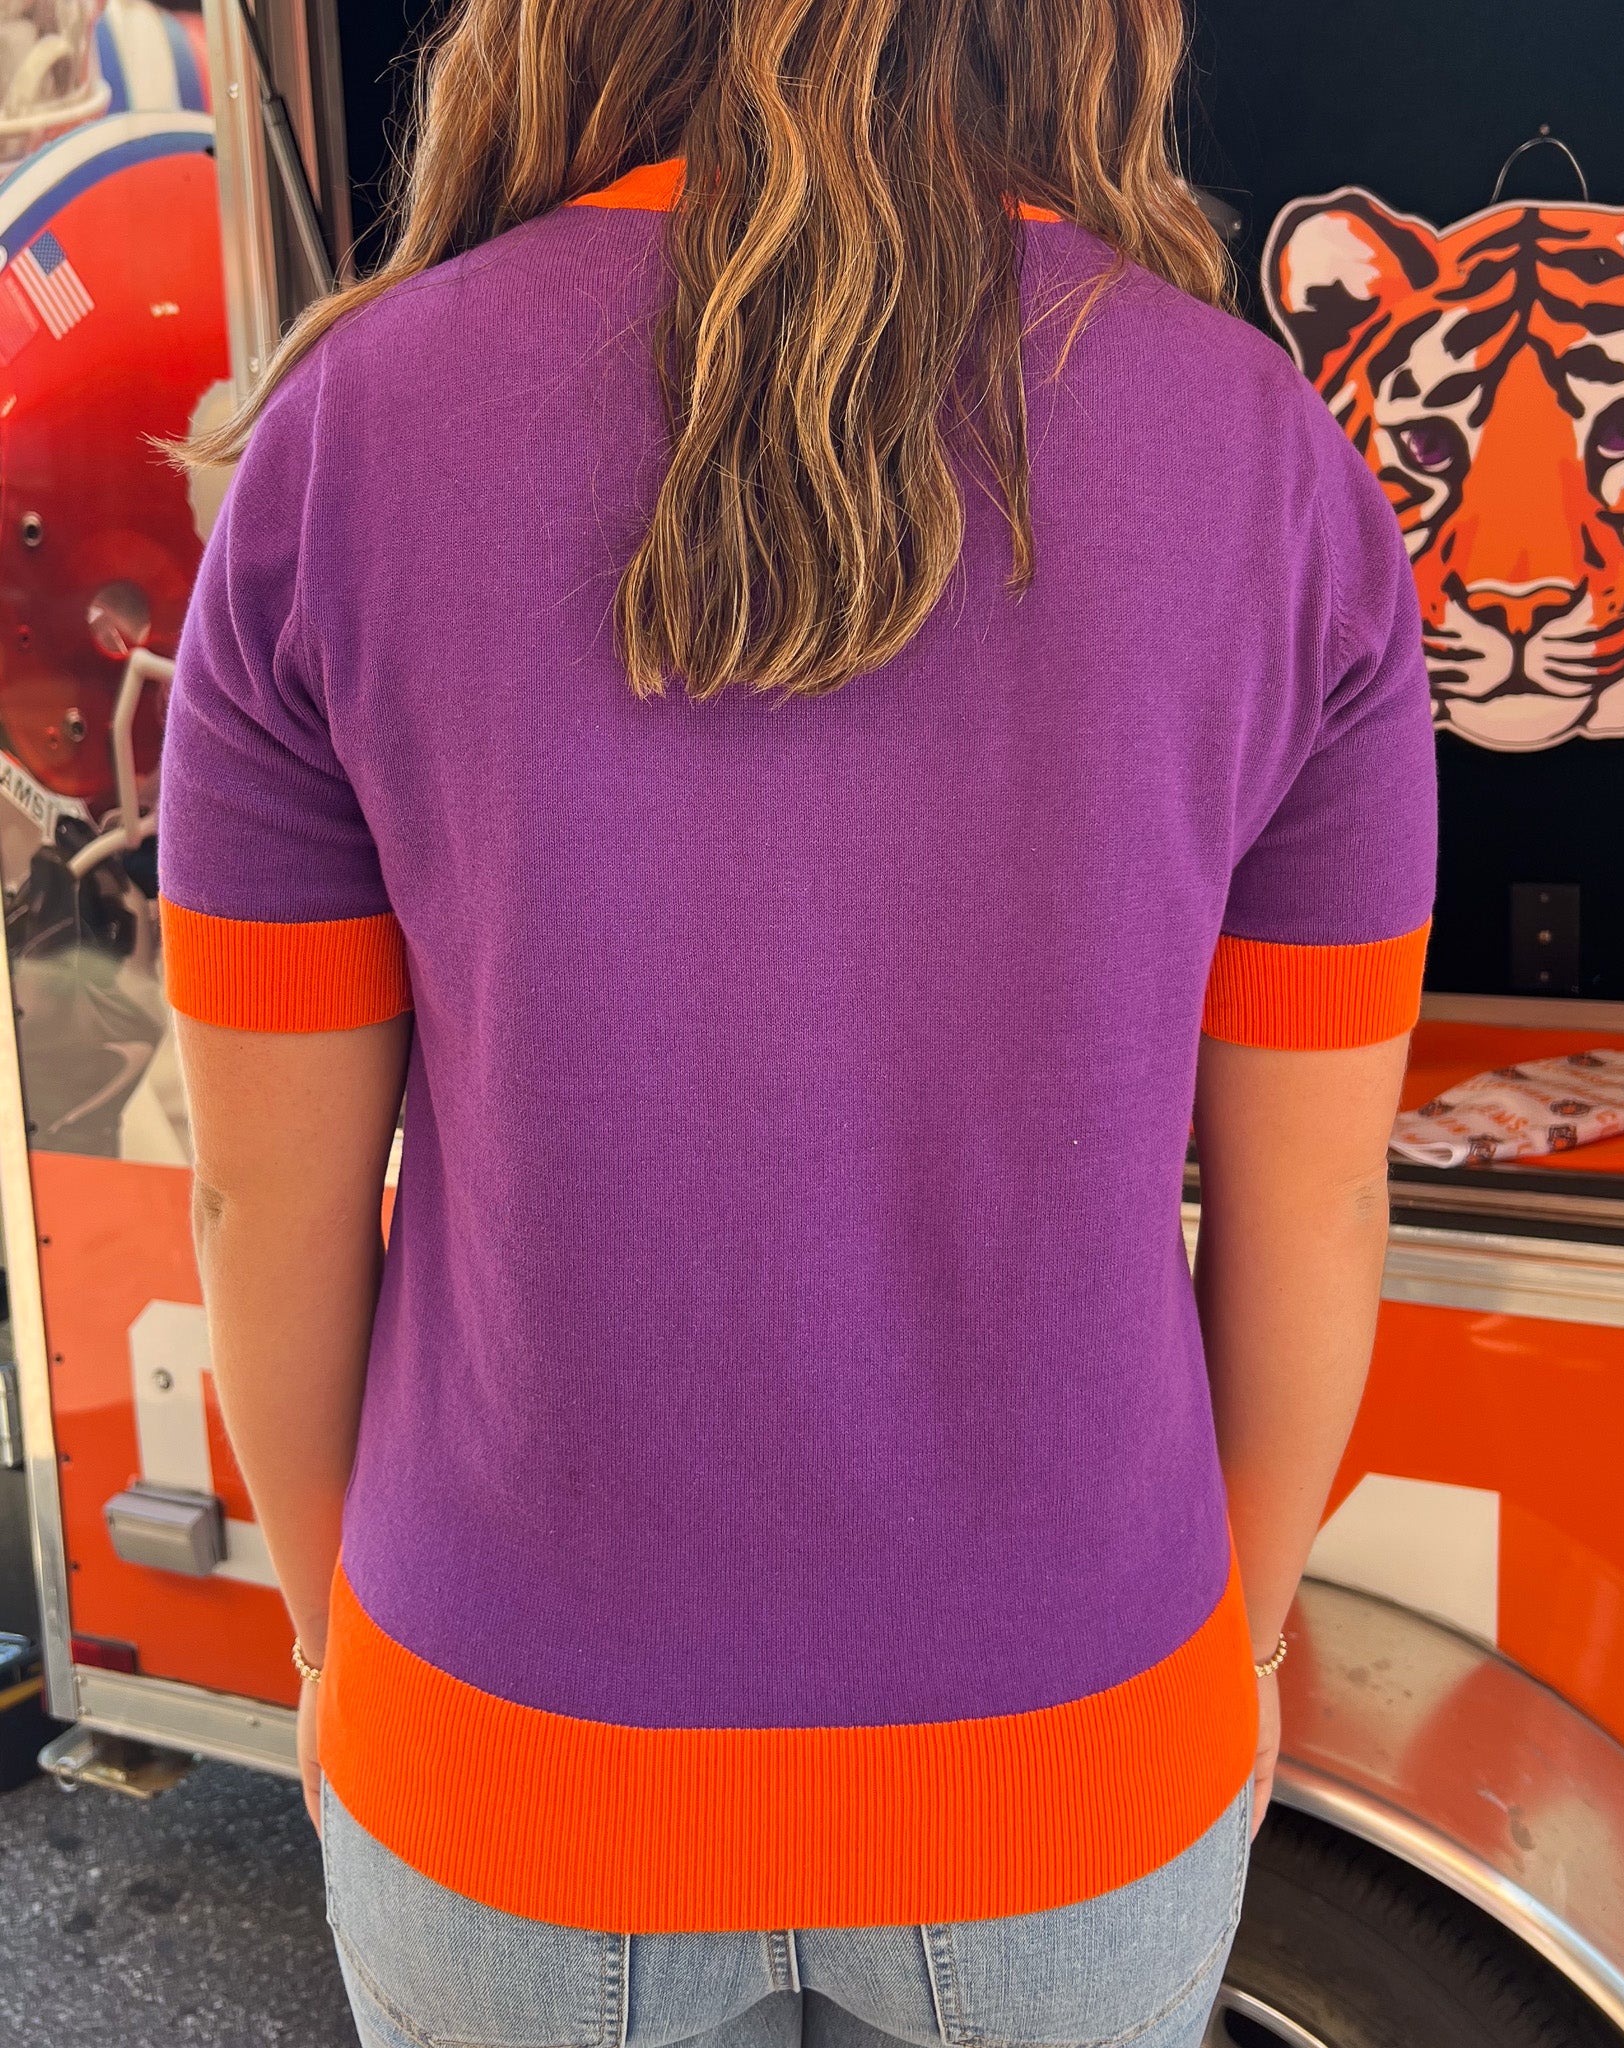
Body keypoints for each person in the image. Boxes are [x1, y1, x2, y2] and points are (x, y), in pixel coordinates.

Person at [160, 0, 1436, 2040]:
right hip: (1078, 1759)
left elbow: (257, 1198)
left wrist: (335, 1646)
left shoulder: (345, 439)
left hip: (502, 1754)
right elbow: (1319, 1204)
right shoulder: (1271, 463)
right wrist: (1248, 1643)